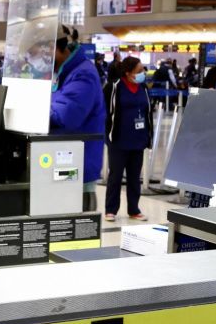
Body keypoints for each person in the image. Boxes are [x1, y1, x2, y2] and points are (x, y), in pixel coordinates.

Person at [50, 25, 105, 211]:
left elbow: (66, 116)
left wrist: (30, 110)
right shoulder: (62, 73)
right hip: (62, 160)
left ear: (60, 48)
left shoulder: (83, 74)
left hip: (77, 167)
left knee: (76, 229)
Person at [103, 57, 152, 222]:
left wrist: (148, 137)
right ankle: (111, 209)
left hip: (138, 139)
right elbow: (107, 112)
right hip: (119, 140)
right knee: (115, 176)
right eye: (139, 71)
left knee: (134, 177)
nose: (142, 74)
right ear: (128, 73)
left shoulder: (143, 88)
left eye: (142, 70)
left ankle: (134, 209)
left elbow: (148, 112)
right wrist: (109, 134)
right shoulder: (115, 87)